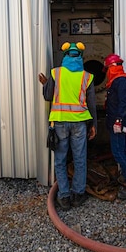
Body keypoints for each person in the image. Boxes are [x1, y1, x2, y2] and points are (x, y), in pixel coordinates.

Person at [38, 42, 97, 211]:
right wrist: (93, 125)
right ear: (80, 56)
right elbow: (91, 104)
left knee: (60, 160)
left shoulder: (56, 73)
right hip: (80, 123)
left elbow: (48, 96)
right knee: (79, 159)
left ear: (65, 56)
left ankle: (64, 196)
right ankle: (78, 194)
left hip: (60, 123)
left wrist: (45, 84)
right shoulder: (87, 76)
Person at [103, 53, 126, 200]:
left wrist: (118, 120)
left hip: (119, 122)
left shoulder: (121, 81)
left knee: (117, 151)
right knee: (122, 150)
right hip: (115, 121)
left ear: (112, 67)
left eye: (108, 69)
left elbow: (124, 103)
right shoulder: (116, 82)